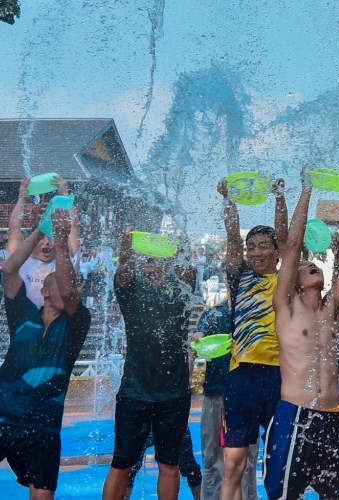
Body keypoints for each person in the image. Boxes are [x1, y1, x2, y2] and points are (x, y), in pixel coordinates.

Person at [263, 170, 339, 500]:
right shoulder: (286, 306)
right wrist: (306, 189)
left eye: (314, 263)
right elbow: (292, 244)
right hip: (296, 415)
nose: (311, 263)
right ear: (292, 279)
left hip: (334, 418)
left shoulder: (331, 310)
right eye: (303, 264)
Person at [0, 207, 90, 499]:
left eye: (73, 285)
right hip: (1, 419)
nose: (71, 288)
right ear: (44, 291)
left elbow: (68, 293)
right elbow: (9, 269)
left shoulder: (77, 323)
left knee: (42, 495)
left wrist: (60, 243)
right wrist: (41, 230)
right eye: (60, 282)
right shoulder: (22, 313)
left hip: (43, 428)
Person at [102, 229, 199, 500]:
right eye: (145, 255)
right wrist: (126, 245)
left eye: (156, 254)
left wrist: (179, 250)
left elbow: (187, 273)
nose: (150, 259)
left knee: (169, 464)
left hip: (174, 392)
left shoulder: (179, 290)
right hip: (135, 390)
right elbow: (123, 273)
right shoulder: (131, 290)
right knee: (121, 463)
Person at [218, 176, 290, 500]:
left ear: (276, 251)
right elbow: (232, 237)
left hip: (279, 377)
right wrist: (228, 199)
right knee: (233, 464)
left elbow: (286, 237)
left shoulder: (286, 279)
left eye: (263, 245)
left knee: (279, 463)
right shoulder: (240, 276)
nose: (255, 251)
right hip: (241, 377)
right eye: (252, 246)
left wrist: (279, 197)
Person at [192, 289, 257, 500]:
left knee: (247, 462)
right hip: (216, 393)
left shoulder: (255, 312)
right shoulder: (214, 313)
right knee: (212, 458)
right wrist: (198, 338)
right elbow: (200, 334)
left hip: (247, 396)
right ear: (227, 281)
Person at [6, 177, 81, 309]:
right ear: (32, 241)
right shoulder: (21, 261)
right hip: (26, 318)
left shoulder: (66, 261)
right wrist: (22, 198)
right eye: (41, 238)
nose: (46, 242)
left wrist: (65, 195)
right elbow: (14, 229)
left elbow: (73, 227)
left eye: (50, 238)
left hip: (58, 319)